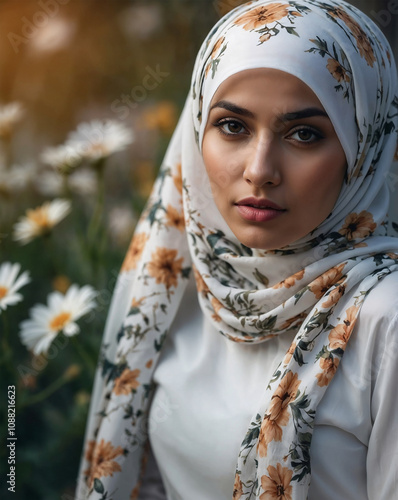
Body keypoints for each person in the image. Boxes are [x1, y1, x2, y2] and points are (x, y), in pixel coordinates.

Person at [76, 1, 398, 499]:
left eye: (304, 134)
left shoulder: (384, 316)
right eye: (232, 126)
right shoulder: (186, 286)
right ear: (196, 130)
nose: (259, 169)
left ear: (364, 150)